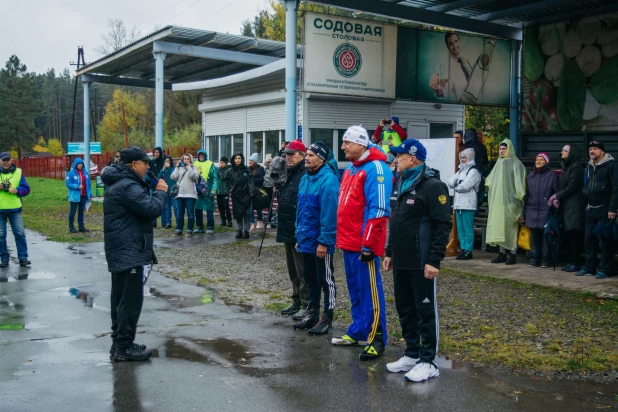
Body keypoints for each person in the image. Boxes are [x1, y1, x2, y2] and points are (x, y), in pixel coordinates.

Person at [384, 139, 451, 382]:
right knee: (404, 308)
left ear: (412, 158)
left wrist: (434, 260)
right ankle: (412, 353)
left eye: (399, 156)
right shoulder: (401, 181)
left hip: (422, 261)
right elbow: (395, 220)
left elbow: (443, 225)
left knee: (424, 311)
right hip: (401, 260)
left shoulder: (433, 186)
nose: (395, 160)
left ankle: (429, 360)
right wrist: (389, 251)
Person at [101, 146, 168, 361]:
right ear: (133, 164)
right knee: (130, 301)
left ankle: (120, 342)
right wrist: (160, 192)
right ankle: (123, 347)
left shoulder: (121, 182)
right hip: (129, 249)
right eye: (145, 162)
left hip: (122, 248)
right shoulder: (128, 186)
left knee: (120, 299)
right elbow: (151, 209)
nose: (148, 166)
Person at [335, 125, 393, 361]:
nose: (343, 147)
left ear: (361, 144)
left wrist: (368, 244)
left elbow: (378, 209)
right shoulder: (351, 168)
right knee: (356, 289)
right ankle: (359, 329)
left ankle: (376, 337)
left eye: (347, 142)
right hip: (348, 241)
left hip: (363, 244)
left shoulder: (377, 168)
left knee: (370, 291)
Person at [293, 142, 340, 334]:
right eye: (306, 154)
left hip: (320, 241)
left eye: (311, 155)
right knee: (310, 278)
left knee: (325, 280)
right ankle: (312, 312)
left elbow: (329, 215)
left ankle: (327, 318)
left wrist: (324, 242)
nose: (307, 158)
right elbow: (301, 211)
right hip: (306, 239)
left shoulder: (328, 180)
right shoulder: (305, 178)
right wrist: (299, 236)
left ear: (321, 159)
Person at [276, 140, 309, 319]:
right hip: (288, 228)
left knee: (303, 270)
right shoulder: (290, 173)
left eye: (292, 154)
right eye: (287, 154)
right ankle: (296, 300)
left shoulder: (304, 174)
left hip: (299, 231)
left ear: (302, 155)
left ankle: (306, 303)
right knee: (292, 270)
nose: (288, 157)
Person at [578, 141, 618, 278]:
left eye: (595, 149)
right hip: (590, 207)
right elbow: (585, 183)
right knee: (589, 239)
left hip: (605, 207)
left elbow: (615, 188)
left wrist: (612, 209)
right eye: (590, 149)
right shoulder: (588, 166)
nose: (592, 151)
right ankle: (589, 267)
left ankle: (604, 269)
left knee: (605, 240)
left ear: (602, 151)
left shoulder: (611, 165)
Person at [485, 140, 526, 265]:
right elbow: (490, 180)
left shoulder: (516, 164)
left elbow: (519, 183)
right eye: (500, 149)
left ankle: (513, 253)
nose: (501, 151)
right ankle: (502, 253)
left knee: (511, 228)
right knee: (500, 227)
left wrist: (520, 197)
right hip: (499, 201)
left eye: (504, 149)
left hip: (512, 202)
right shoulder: (499, 163)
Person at [520, 153, 559, 268]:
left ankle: (546, 260)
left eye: (541, 160)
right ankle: (534, 258)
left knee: (546, 236)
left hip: (546, 209)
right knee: (534, 235)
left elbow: (556, 191)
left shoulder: (552, 175)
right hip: (532, 208)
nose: (538, 161)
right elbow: (527, 194)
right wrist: (524, 212)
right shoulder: (530, 175)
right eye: (537, 159)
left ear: (546, 162)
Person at [554, 145, 585, 272]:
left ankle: (575, 262)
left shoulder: (576, 167)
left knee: (573, 233)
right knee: (568, 233)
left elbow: (572, 186)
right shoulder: (566, 166)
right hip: (566, 204)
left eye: (565, 151)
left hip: (575, 205)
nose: (562, 152)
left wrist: (557, 196)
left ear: (571, 153)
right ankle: (570, 261)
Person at [447, 148, 481, 260]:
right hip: (458, 203)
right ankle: (463, 248)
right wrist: (458, 184)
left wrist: (457, 185)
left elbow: (465, 186)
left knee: (467, 228)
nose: (462, 160)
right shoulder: (461, 171)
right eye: (461, 157)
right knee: (460, 228)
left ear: (469, 158)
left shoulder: (474, 171)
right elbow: (450, 181)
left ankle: (469, 250)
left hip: (468, 203)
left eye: (464, 157)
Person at [0, 152, 30, 267]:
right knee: (1, 236)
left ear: (11, 160)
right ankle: (4, 258)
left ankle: (23, 257)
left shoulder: (18, 172)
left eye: (8, 160)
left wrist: (18, 190)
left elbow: (26, 189)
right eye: (3, 160)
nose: (6, 162)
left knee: (20, 233)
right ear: (0, 161)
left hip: (15, 209)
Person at [429, 32, 473, 101]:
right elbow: (443, 88)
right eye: (451, 44)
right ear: (447, 46)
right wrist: (438, 90)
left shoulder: (466, 61)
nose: (455, 45)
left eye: (456, 41)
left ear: (459, 41)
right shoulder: (445, 67)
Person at [226, 153, 255, 239]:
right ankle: (239, 230)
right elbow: (227, 181)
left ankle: (246, 231)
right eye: (236, 158)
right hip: (236, 195)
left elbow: (251, 181)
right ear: (233, 160)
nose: (238, 160)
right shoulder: (230, 171)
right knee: (238, 214)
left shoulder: (246, 169)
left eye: (239, 158)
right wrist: (231, 188)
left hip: (246, 195)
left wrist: (251, 192)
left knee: (246, 214)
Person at [170, 154, 199, 237]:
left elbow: (194, 176)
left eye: (188, 159)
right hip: (179, 194)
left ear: (190, 160)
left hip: (190, 194)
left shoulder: (193, 168)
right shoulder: (179, 168)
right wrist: (176, 167)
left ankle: (190, 229)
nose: (186, 160)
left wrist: (189, 167)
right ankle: (179, 229)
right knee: (179, 213)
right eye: (184, 159)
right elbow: (173, 177)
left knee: (190, 213)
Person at [193, 150, 219, 234]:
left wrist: (213, 190)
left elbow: (215, 178)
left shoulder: (210, 164)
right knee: (197, 209)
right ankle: (199, 226)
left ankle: (210, 227)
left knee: (209, 209)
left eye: (202, 155)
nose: (201, 156)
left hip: (208, 190)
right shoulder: (195, 164)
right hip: (197, 191)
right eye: (200, 155)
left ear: (205, 155)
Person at [66, 158, 92, 233]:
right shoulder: (71, 173)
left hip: (83, 195)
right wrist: (77, 186)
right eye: (79, 164)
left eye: (81, 164)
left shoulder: (85, 173)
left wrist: (89, 194)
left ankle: (81, 227)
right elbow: (68, 183)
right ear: (75, 165)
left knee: (81, 212)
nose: (80, 165)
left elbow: (89, 184)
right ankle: (71, 227)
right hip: (74, 196)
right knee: (73, 212)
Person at [248, 153, 265, 230]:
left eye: (251, 160)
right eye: (249, 160)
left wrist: (252, 180)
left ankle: (260, 221)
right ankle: (251, 223)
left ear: (255, 161)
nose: (250, 162)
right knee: (250, 207)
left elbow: (262, 179)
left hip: (258, 190)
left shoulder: (260, 168)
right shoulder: (248, 169)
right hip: (250, 190)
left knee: (258, 207)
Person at [149, 147, 165, 228]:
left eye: (158, 152)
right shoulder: (151, 161)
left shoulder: (163, 161)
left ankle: (164, 222)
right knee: (152, 204)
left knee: (163, 204)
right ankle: (153, 222)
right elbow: (149, 173)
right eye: (155, 152)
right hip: (153, 184)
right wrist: (155, 181)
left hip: (162, 184)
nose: (156, 154)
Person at [158, 156, 175, 229]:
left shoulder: (173, 169)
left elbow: (173, 176)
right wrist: (162, 170)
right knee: (167, 207)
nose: (167, 162)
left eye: (168, 161)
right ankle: (168, 222)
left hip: (172, 190)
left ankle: (178, 223)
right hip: (165, 190)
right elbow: (158, 178)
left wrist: (169, 168)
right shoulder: (163, 170)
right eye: (166, 161)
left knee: (175, 207)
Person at [216, 156, 233, 227]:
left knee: (226, 206)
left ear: (226, 163)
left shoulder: (228, 169)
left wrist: (219, 170)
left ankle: (229, 221)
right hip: (219, 191)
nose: (221, 164)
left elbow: (223, 177)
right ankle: (223, 220)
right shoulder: (220, 170)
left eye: (222, 162)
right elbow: (217, 178)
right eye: (220, 162)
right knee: (220, 207)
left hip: (225, 191)